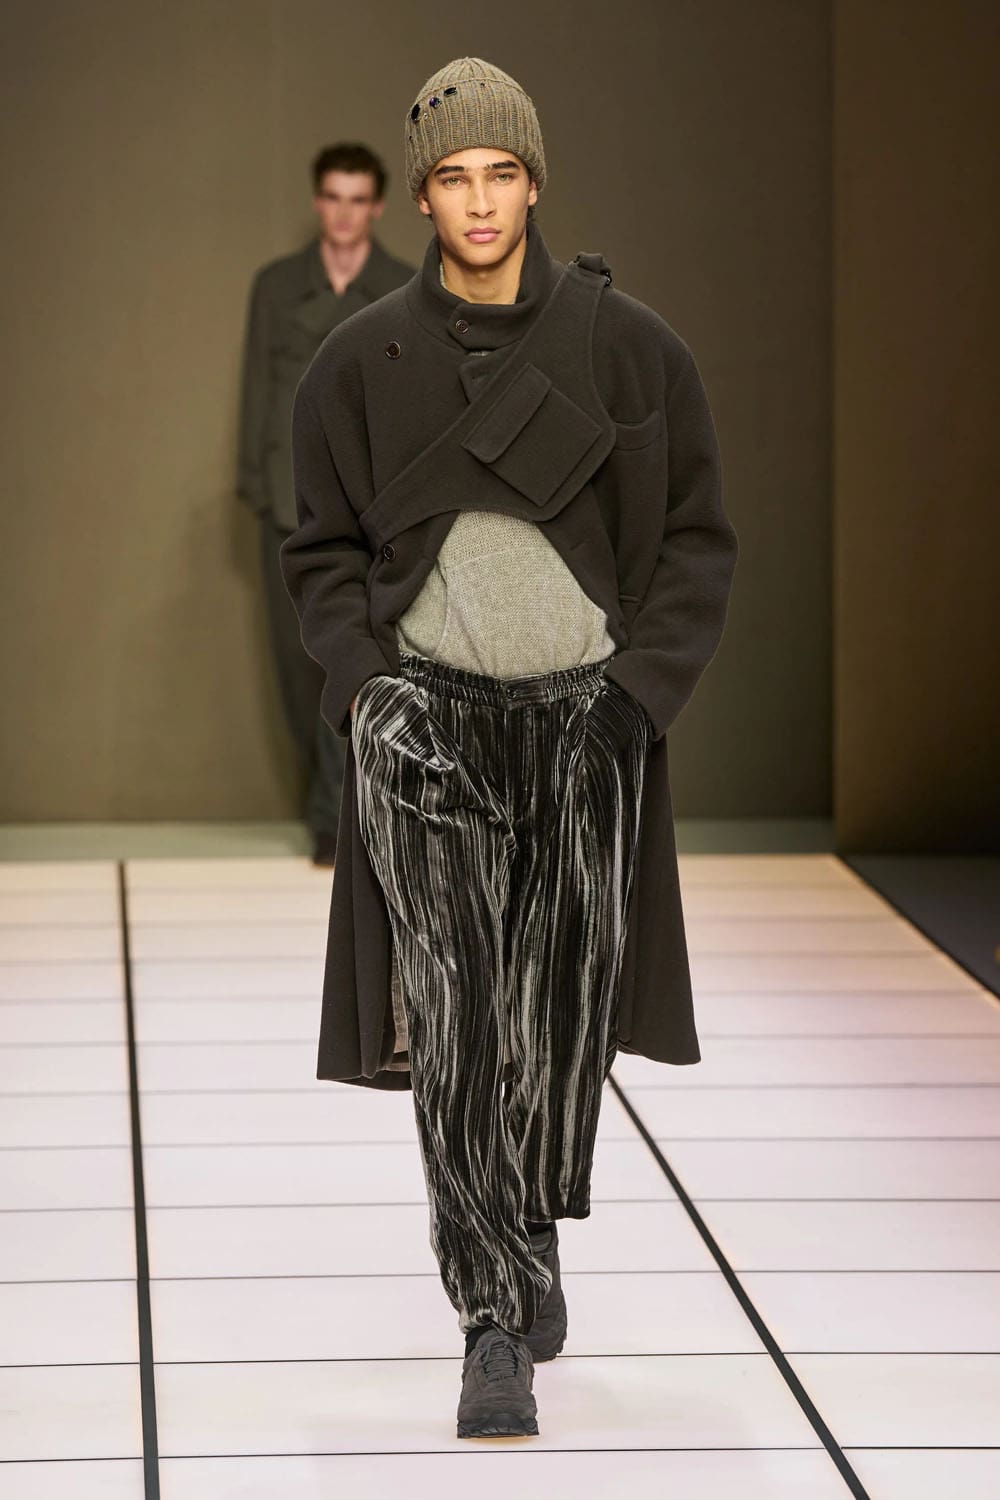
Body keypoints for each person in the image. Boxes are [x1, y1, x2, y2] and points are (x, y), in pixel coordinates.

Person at [280, 58, 739, 1438]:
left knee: (560, 1021)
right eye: (454, 177)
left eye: (501, 173)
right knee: (460, 1016)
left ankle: (526, 1229)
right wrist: (372, 696)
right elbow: (319, 553)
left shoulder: (632, 350)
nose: (478, 200)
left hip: (585, 724)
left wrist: (636, 703)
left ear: (534, 184)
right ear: (422, 198)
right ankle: (490, 1314)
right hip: (428, 724)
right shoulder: (358, 364)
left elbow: (695, 542)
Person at [237, 143, 414, 864]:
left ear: (377, 206)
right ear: (318, 202)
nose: (344, 213)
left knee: (356, 653)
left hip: (370, 503)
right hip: (285, 500)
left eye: (357, 199)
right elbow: (256, 383)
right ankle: (329, 804)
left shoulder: (403, 286)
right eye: (333, 198)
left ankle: (335, 818)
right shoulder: (277, 284)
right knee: (294, 663)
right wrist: (252, 482)